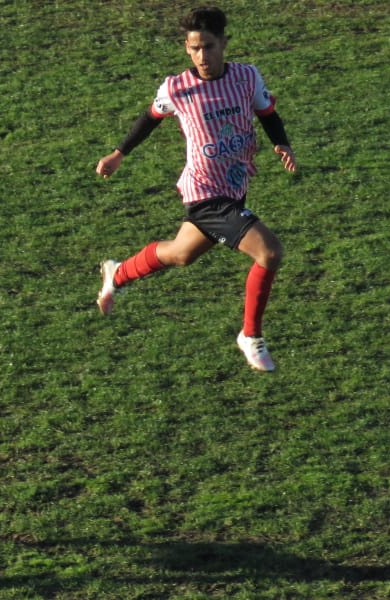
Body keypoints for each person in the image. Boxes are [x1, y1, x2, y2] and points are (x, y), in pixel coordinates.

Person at [95, 6, 297, 372]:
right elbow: (149, 119)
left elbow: (267, 113)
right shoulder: (177, 89)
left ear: (223, 43)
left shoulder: (246, 77)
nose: (202, 56)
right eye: (194, 49)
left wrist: (281, 143)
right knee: (270, 252)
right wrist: (118, 154)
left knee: (181, 254)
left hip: (233, 187)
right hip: (205, 193)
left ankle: (117, 273)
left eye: (208, 47)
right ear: (187, 49)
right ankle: (250, 335)